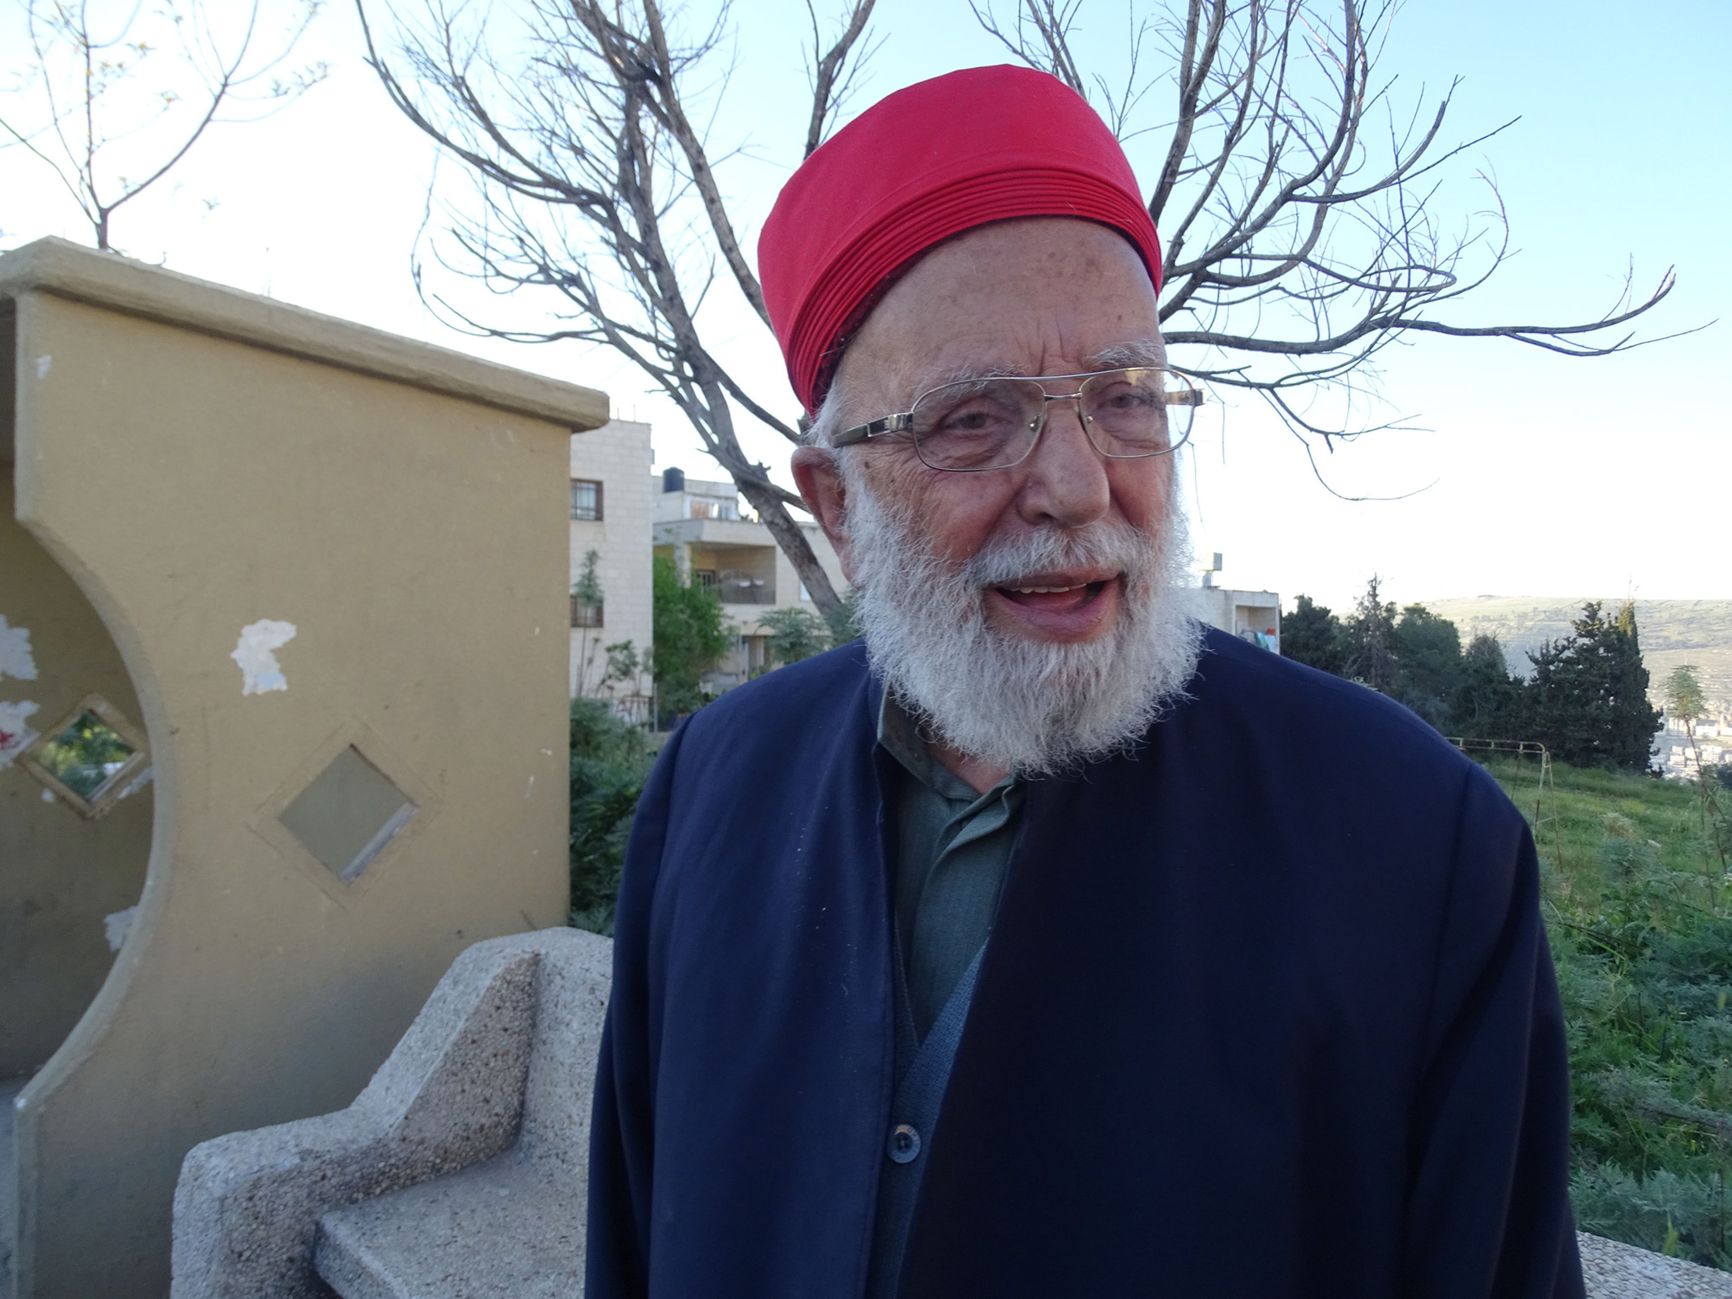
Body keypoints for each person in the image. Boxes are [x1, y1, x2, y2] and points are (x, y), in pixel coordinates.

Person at [586, 65, 1584, 1299]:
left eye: (1124, 400)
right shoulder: (710, 786)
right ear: (836, 504)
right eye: (972, 418)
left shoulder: (1419, 843)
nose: (1076, 485)